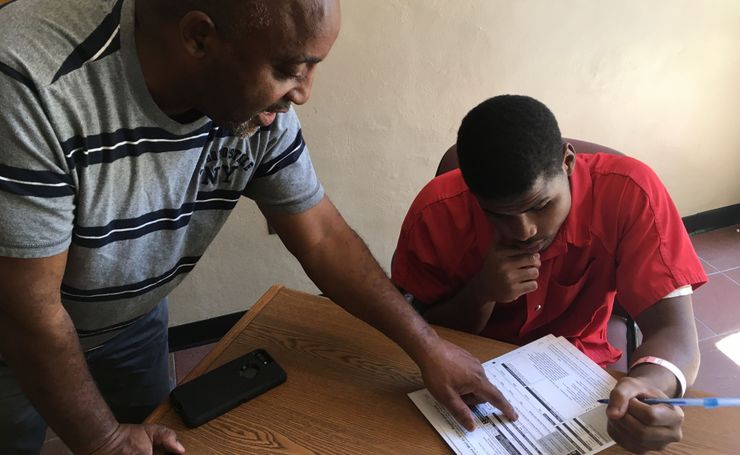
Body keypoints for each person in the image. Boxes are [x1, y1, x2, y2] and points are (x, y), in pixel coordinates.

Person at [0, 1, 516, 453]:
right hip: (12, 334)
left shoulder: (255, 111)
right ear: (199, 37)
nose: (303, 93)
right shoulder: (28, 81)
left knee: (157, 428)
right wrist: (104, 441)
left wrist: (428, 347)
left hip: (130, 318)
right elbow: (29, 314)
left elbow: (323, 237)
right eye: (291, 68)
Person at [391, 94, 708, 453]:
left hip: (578, 374)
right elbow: (418, 330)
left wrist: (650, 384)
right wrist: (481, 293)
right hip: (467, 376)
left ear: (568, 162)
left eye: (541, 205)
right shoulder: (436, 213)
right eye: (498, 214)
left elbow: (675, 333)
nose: (524, 230)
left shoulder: (630, 194)